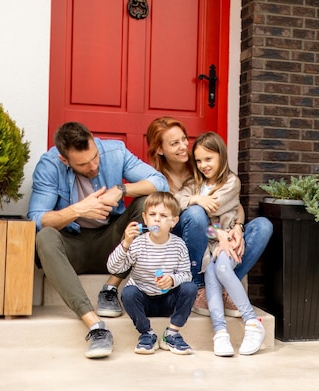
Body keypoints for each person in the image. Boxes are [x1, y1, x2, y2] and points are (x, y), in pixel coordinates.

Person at [27, 121, 169, 359]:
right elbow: (37, 219)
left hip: (113, 243)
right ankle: (95, 326)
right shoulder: (50, 165)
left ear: (93, 140)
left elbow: (160, 183)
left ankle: (111, 287)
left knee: (149, 204)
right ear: (65, 160)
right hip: (74, 246)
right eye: (83, 164)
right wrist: (78, 210)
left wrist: (122, 190)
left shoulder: (114, 151)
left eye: (94, 157)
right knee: (45, 237)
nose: (93, 166)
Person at [145, 116, 273, 317]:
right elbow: (195, 212)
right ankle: (197, 286)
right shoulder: (160, 180)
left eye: (184, 139)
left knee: (263, 226)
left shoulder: (199, 169)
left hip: (221, 235)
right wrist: (196, 200)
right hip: (186, 238)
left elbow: (231, 205)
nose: (183, 146)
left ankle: (225, 287)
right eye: (174, 143)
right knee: (196, 213)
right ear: (160, 149)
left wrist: (238, 227)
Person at [177, 131, 265, 356]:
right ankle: (221, 334)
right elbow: (175, 201)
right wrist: (195, 198)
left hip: (225, 241)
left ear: (221, 156)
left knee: (222, 269)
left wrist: (235, 228)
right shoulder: (194, 184)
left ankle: (252, 323)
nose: (203, 165)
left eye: (208, 159)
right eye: (198, 160)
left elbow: (213, 209)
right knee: (211, 276)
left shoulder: (231, 182)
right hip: (211, 245)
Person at [107, 192, 196, 355]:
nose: (157, 219)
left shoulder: (179, 245)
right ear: (145, 219)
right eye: (152, 215)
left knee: (190, 288)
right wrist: (126, 243)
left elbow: (186, 275)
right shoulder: (138, 243)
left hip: (168, 300)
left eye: (163, 215)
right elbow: (114, 268)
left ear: (173, 221)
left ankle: (172, 333)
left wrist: (172, 280)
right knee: (128, 292)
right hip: (143, 302)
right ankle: (146, 333)